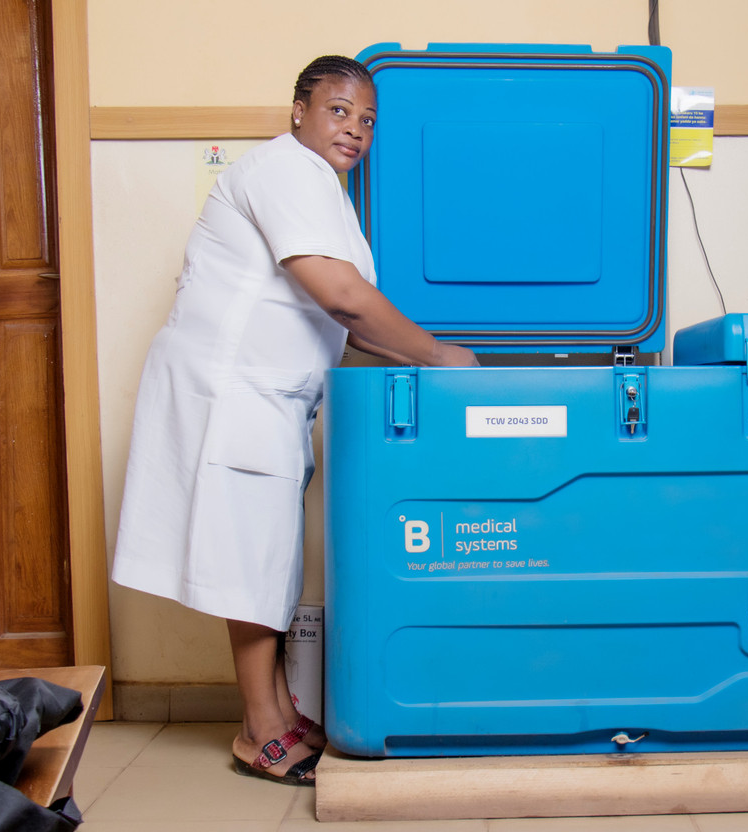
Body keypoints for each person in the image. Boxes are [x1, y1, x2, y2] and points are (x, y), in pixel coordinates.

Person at [111, 55, 478, 786]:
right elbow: (342, 297)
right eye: (339, 110)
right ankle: (262, 730)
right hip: (232, 393)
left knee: (265, 558)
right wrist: (440, 356)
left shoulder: (321, 191)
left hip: (263, 395)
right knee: (250, 565)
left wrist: (432, 364)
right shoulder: (284, 170)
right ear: (299, 111)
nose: (356, 129)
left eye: (367, 119)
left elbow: (349, 325)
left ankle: (275, 710)